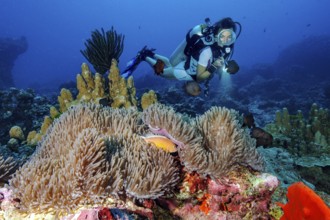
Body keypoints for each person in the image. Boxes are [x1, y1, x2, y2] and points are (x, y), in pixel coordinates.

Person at [122, 17, 241, 96]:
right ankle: (144, 56)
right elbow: (199, 77)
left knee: (170, 64)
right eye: (222, 36)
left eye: (229, 37)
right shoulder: (207, 50)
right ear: (217, 32)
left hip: (194, 61)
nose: (225, 40)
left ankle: (150, 53)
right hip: (188, 60)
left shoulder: (227, 48)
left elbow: (220, 62)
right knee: (164, 72)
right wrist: (214, 66)